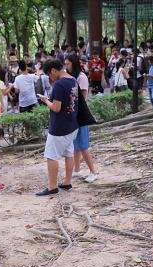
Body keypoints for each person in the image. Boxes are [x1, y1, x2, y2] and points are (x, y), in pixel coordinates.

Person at [36, 59, 79, 196]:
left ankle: (52, 186)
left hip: (59, 127)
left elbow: (56, 108)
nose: (50, 77)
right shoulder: (73, 80)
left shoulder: (59, 84)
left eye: (50, 74)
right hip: (72, 124)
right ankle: (67, 182)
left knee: (51, 156)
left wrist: (45, 100)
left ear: (54, 70)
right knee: (68, 152)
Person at [65, 54, 99, 183]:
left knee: (83, 145)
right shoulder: (73, 77)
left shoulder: (81, 77)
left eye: (68, 64)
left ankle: (93, 172)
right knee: (76, 144)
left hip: (81, 115)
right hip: (75, 114)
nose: (66, 66)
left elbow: (83, 98)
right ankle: (77, 169)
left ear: (73, 63)